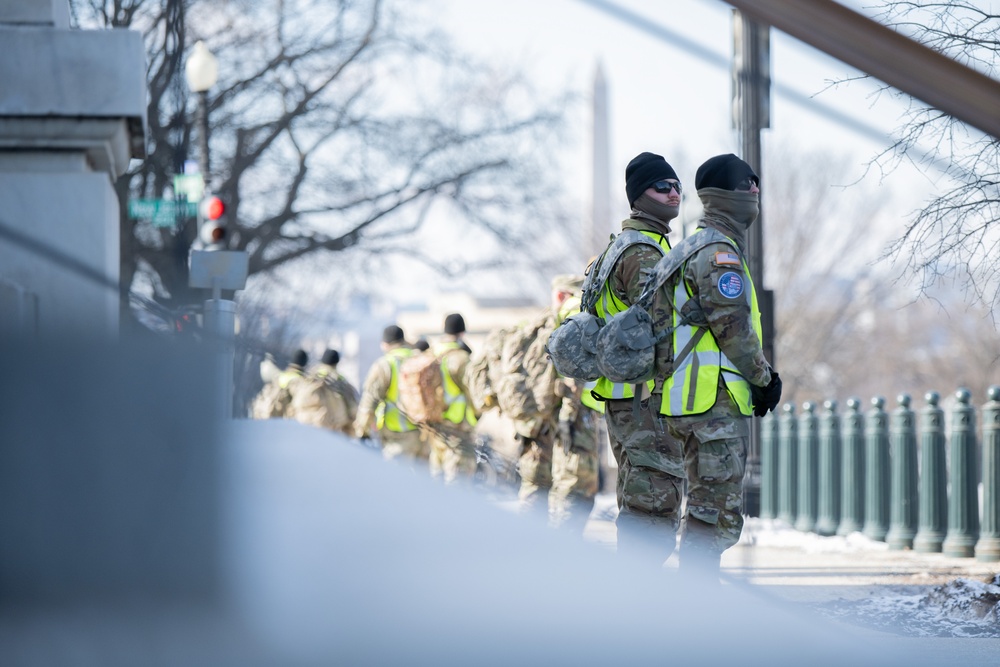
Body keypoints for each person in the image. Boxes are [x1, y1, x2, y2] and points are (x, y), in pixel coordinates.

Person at [646, 153, 782, 578]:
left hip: (686, 402)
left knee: (706, 511)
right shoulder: (719, 253)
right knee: (714, 515)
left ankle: (694, 601)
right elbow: (733, 329)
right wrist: (765, 379)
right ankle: (697, 605)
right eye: (747, 184)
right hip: (712, 406)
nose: (755, 190)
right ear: (723, 195)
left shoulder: (688, 247)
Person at [592, 152, 687, 560]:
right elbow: (665, 328)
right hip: (646, 397)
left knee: (639, 497)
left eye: (677, 185)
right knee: (654, 502)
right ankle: (639, 603)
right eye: (661, 186)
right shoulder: (643, 252)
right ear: (638, 197)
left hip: (626, 395)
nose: (673, 193)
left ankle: (632, 599)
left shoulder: (620, 247)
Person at [353, 325, 428, 462]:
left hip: (397, 436)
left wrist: (362, 431)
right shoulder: (422, 360)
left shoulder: (385, 364)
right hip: (425, 435)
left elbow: (370, 400)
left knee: (398, 481)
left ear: (385, 344)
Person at [425, 313, 479, 483]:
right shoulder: (461, 358)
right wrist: (476, 416)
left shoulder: (430, 354)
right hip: (457, 426)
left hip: (434, 425)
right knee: (458, 483)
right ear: (462, 333)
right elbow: (474, 393)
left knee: (437, 478)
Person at [289, 348, 359, 436]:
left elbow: (293, 406)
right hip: (330, 431)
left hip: (303, 428)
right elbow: (354, 411)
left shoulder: (309, 377)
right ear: (336, 363)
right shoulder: (340, 381)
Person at [250, 349, 309, 419]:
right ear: (305, 363)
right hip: (288, 419)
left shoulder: (281, 376)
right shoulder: (302, 381)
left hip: (274, 416)